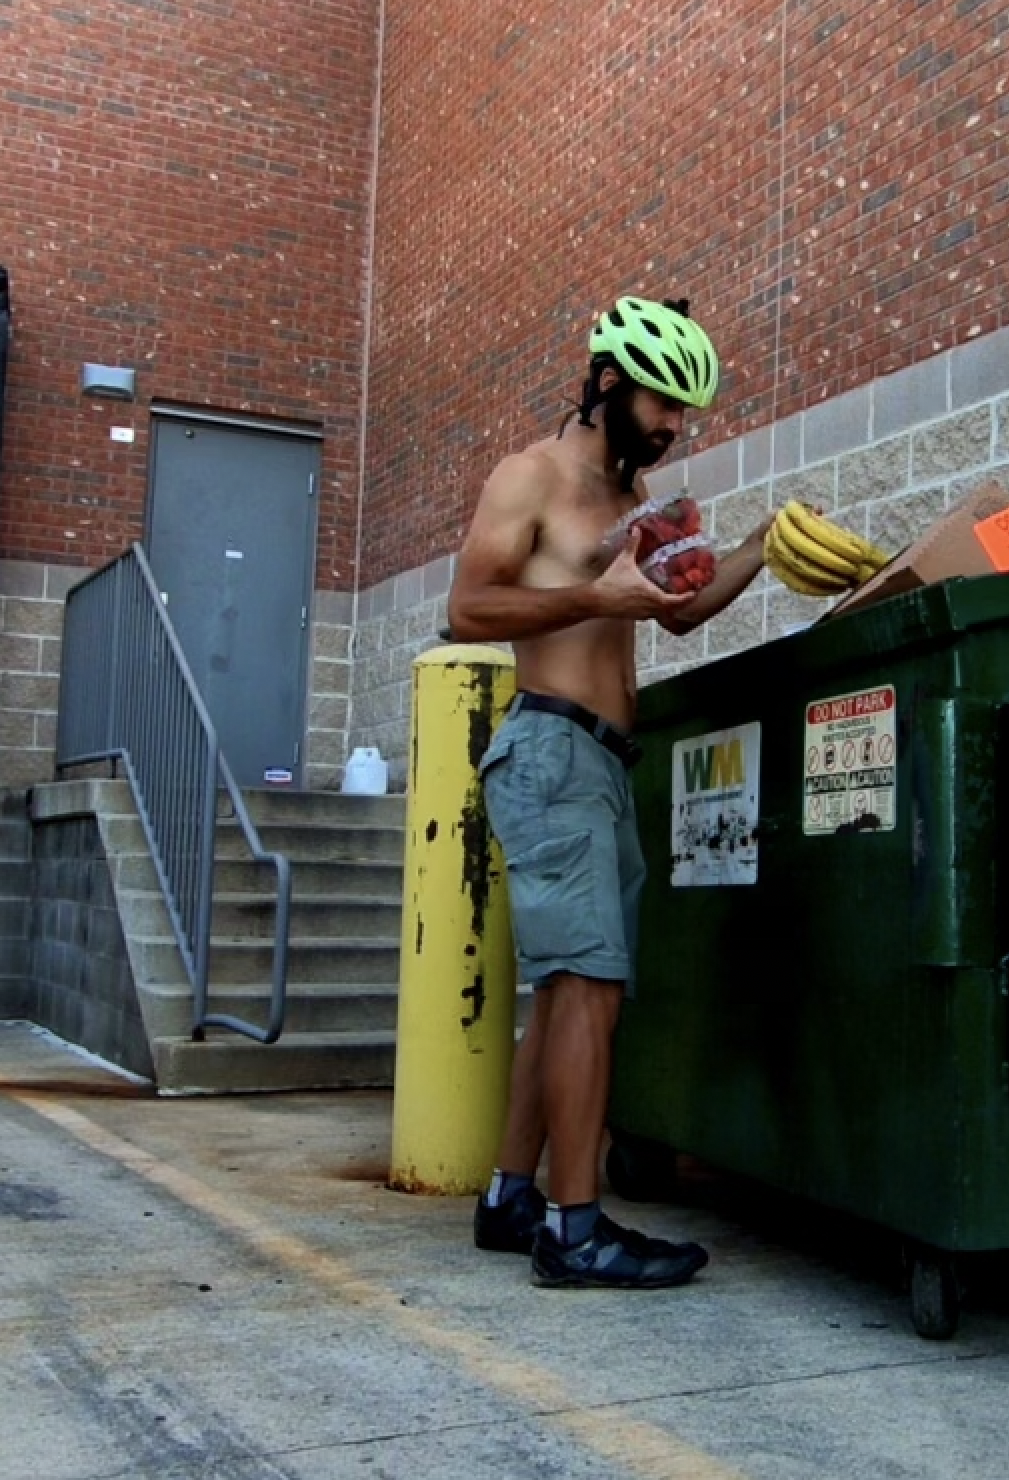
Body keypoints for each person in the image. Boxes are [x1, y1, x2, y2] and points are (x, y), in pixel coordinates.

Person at [445, 295, 771, 1289]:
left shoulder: (624, 502)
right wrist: (599, 591)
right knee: (585, 989)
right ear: (609, 383)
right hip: (548, 752)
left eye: (686, 411)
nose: (674, 425)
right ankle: (576, 1229)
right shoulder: (531, 477)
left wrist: (765, 547)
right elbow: (466, 611)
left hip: (600, 766)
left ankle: (512, 1198)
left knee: (570, 993)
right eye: (662, 402)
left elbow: (667, 616)